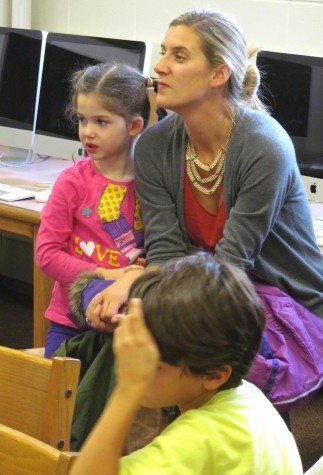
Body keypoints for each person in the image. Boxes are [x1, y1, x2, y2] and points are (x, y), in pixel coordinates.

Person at [81, 7, 323, 414]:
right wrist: (130, 284)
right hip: (201, 281)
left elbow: (231, 267)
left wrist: (143, 287)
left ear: (218, 74)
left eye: (178, 56)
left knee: (153, 322)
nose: (158, 67)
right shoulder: (157, 146)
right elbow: (167, 251)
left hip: (276, 299)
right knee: (104, 299)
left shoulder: (265, 145)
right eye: (163, 53)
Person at [69, 253, 303, 475]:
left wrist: (127, 389)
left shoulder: (201, 438)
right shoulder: (247, 397)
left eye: (152, 365)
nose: (133, 365)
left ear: (214, 375)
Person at [35, 62, 150, 358]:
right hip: (69, 322)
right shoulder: (72, 181)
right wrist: (105, 272)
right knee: (59, 398)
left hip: (126, 319)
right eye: (82, 119)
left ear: (135, 126)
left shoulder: (152, 183)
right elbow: (47, 254)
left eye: (101, 121)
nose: (87, 132)